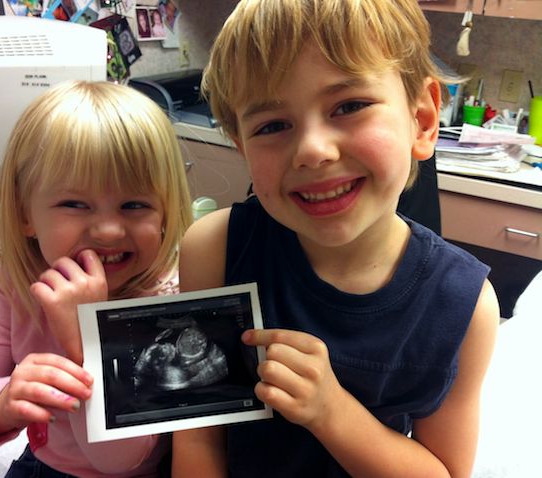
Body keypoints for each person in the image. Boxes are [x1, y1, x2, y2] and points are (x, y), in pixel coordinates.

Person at [172, 1, 499, 477]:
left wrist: (331, 412)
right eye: (272, 126)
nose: (312, 150)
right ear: (242, 147)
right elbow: (198, 437)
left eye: (349, 106)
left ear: (423, 119)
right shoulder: (214, 250)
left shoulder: (463, 306)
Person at [0, 80, 193, 477]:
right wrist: (4, 401)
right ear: (25, 214)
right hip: (44, 464)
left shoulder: (169, 299)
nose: (109, 230)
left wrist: (86, 337)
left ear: (165, 212)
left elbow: (120, 460)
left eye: (134, 204)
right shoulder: (19, 283)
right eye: (75, 204)